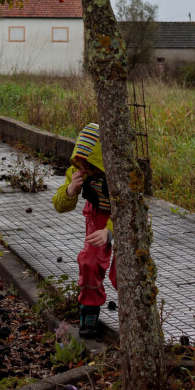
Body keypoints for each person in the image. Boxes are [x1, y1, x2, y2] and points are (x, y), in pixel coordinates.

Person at [52, 122, 117, 338]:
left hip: (122, 219)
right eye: (80, 164)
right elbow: (60, 205)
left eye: (89, 166)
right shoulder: (78, 171)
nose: (84, 170)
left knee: (123, 272)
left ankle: (136, 312)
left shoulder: (119, 173)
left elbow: (131, 209)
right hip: (96, 215)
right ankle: (89, 310)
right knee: (89, 261)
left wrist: (110, 232)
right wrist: (70, 190)